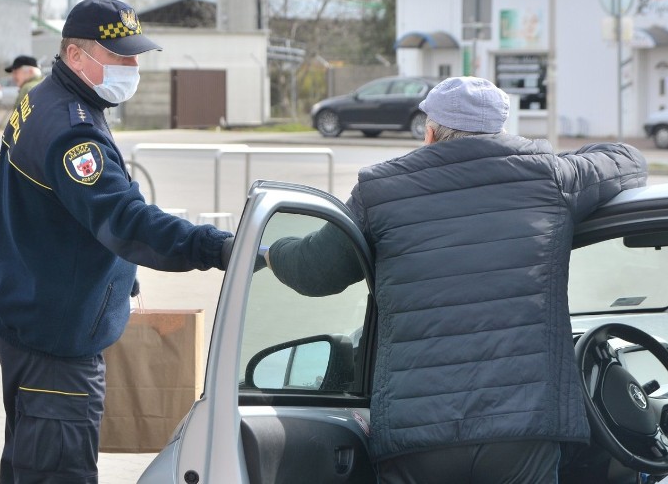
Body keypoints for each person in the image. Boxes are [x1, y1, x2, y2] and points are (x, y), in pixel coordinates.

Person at [265, 76, 648, 484]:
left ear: (429, 131)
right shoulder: (550, 176)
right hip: (520, 431)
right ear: (500, 130)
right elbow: (627, 160)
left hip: (417, 436)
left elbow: (313, 271)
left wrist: (270, 250)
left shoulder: (381, 190)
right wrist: (537, 157)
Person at [0, 0, 236, 484]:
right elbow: (127, 220)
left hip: (31, 324)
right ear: (77, 55)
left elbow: (69, 214)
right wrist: (218, 247)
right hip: (57, 349)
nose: (134, 66)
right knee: (56, 473)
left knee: (27, 468)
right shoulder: (72, 132)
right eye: (121, 56)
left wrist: (120, 282)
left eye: (136, 55)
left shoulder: (46, 98)